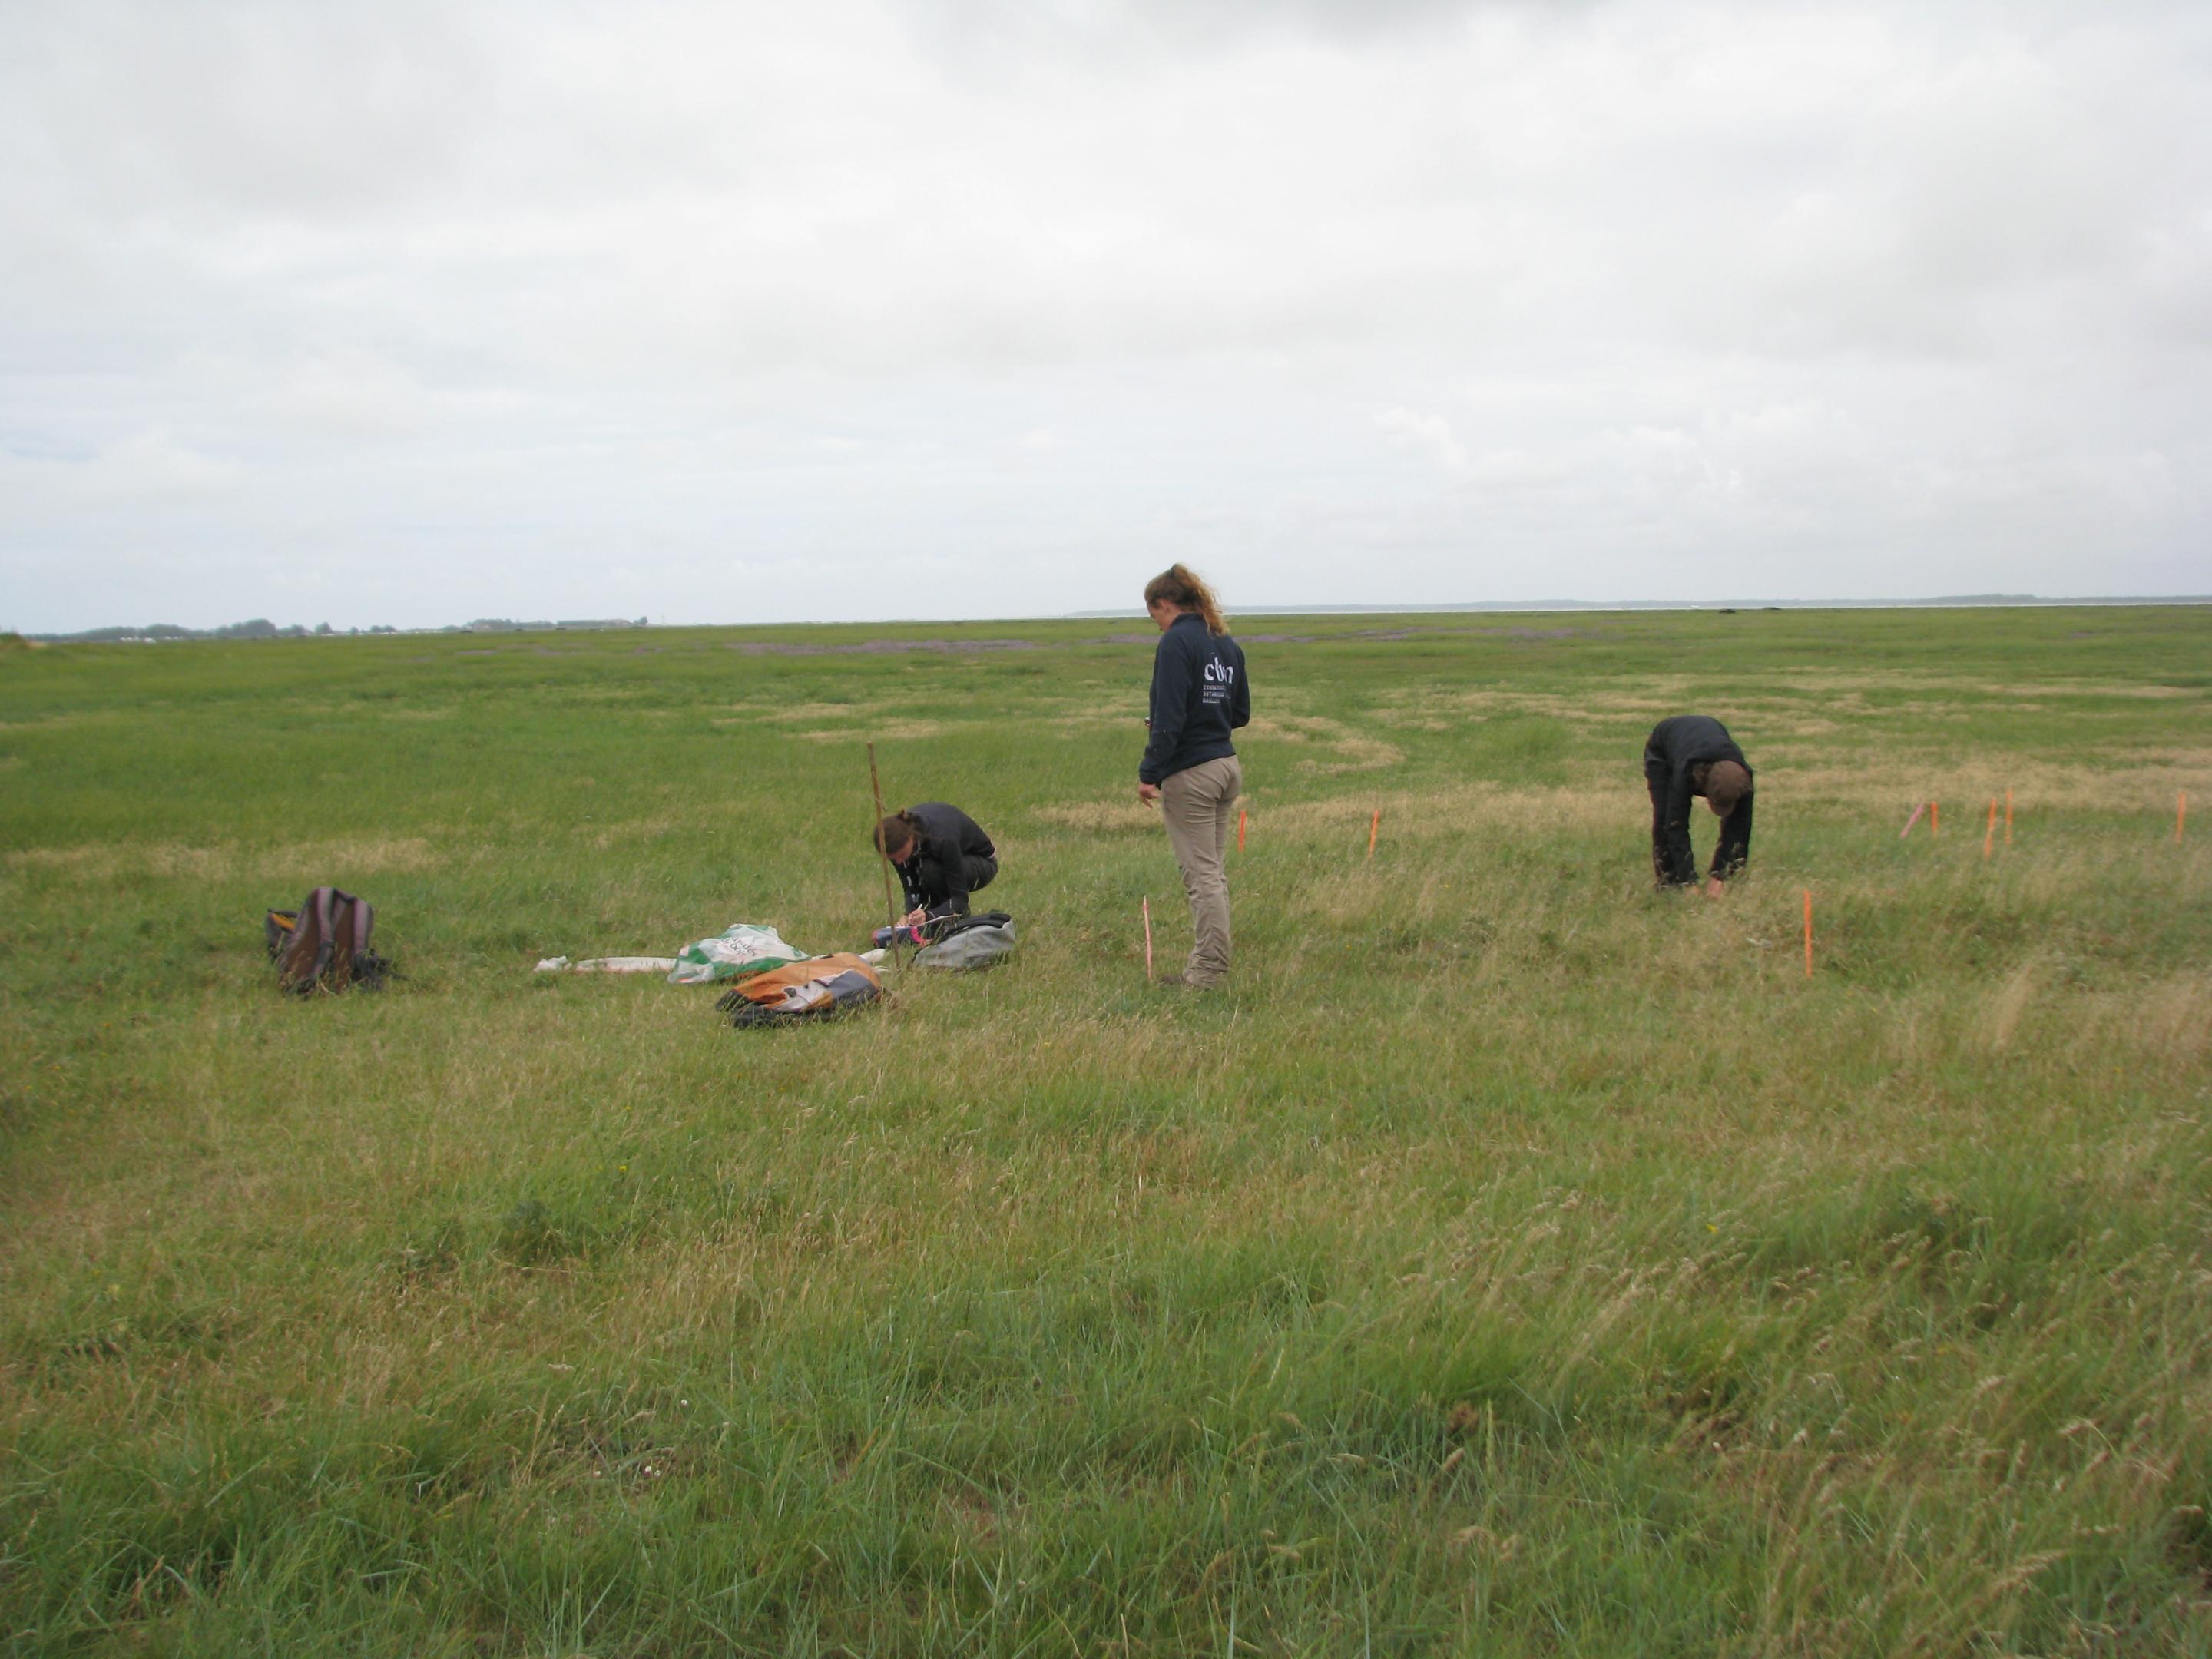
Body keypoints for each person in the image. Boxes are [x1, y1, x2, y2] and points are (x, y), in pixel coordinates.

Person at [1137, 564, 1250, 988]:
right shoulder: (1225, 642)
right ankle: (1209, 961)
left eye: (1154, 615)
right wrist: (1207, 719)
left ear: (1165, 604)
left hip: (1193, 774)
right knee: (1212, 871)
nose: (1156, 624)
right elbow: (1240, 713)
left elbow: (1169, 717)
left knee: (1201, 876)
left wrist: (1150, 773)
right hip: (1226, 765)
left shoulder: (1176, 643)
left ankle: (1207, 972)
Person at [1644, 715, 1753, 896]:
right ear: (1704, 785)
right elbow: (1675, 824)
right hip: (1663, 748)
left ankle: (1720, 882)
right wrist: (1688, 880)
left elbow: (1741, 827)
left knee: (1738, 823)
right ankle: (1669, 883)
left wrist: (1721, 875)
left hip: (1701, 740)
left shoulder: (1743, 778)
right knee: (1665, 816)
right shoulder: (1686, 771)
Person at [873, 803, 997, 926]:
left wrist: (929, 916)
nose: (899, 862)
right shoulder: (897, 845)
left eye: (901, 855)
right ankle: (936, 918)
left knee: (930, 869)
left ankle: (952, 921)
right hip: (942, 859)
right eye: (892, 859)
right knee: (926, 869)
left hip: (982, 862)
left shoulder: (942, 838)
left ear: (911, 838)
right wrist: (909, 914)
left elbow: (960, 899)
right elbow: (910, 885)